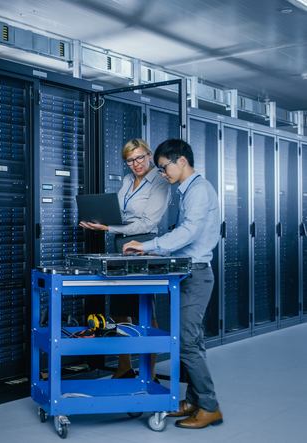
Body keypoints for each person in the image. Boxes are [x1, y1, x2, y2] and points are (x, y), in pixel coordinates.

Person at [123, 139, 223, 429]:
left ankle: (210, 406)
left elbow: (190, 232)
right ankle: (193, 400)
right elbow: (184, 236)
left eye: (164, 167)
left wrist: (148, 245)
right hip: (188, 272)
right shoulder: (189, 190)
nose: (162, 173)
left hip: (197, 274)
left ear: (181, 161)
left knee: (187, 343)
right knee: (194, 341)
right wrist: (157, 250)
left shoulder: (199, 191)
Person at [79, 138, 170, 380]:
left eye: (140, 157)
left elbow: (148, 222)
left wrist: (108, 227)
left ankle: (149, 373)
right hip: (121, 246)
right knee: (120, 309)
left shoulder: (160, 182)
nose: (136, 163)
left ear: (149, 155)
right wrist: (99, 220)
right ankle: (124, 366)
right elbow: (118, 212)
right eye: (130, 160)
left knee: (144, 311)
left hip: (144, 247)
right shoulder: (128, 180)